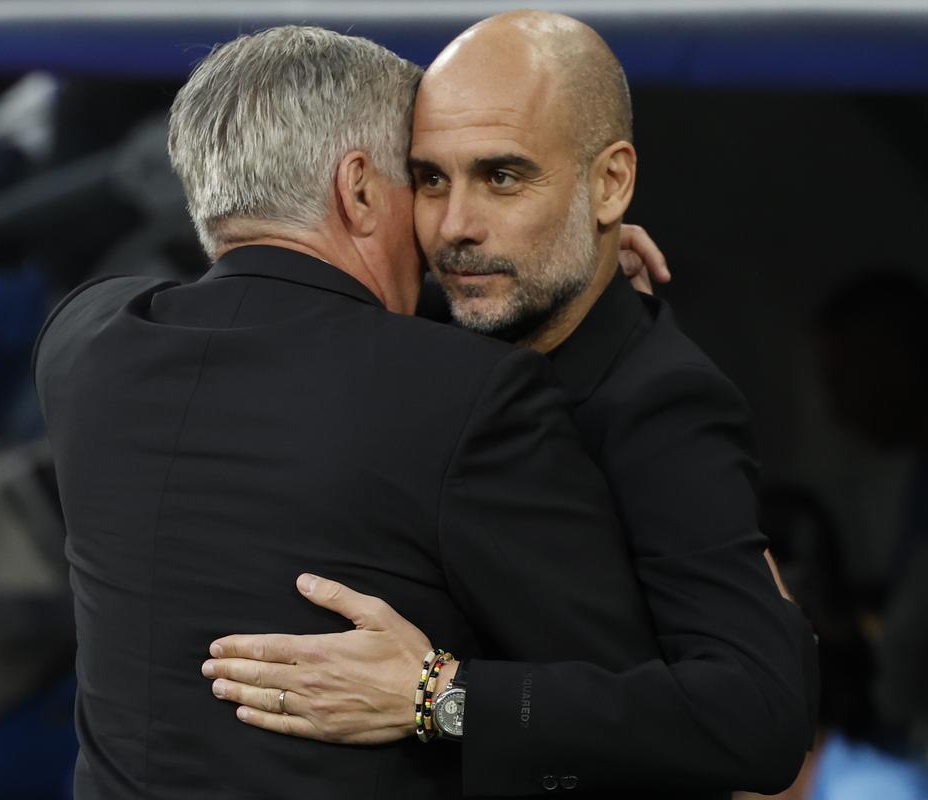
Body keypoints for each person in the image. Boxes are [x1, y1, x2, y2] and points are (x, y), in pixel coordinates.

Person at [35, 26, 674, 799]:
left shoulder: (83, 349)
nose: (447, 220)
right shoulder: (469, 396)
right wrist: (442, 700)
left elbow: (303, 305)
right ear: (361, 189)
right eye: (427, 179)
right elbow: (630, 722)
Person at [202, 11, 817, 797]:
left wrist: (441, 698)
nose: (456, 227)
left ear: (611, 183)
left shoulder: (660, 404)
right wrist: (569, 240)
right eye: (430, 179)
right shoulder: (429, 332)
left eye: (503, 177)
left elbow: (758, 714)